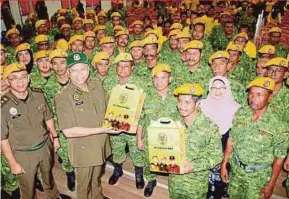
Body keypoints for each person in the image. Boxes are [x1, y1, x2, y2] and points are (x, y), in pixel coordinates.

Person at [55, 52, 120, 199]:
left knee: (96, 179)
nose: (79, 74)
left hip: (100, 144)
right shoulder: (63, 96)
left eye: (83, 69)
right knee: (83, 185)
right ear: (68, 73)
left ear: (89, 69)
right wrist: (102, 129)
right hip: (83, 149)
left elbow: (110, 106)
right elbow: (69, 131)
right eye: (74, 70)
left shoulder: (96, 85)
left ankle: (97, 196)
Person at [1, 62, 61, 199]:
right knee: (27, 186)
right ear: (6, 81)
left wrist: (55, 137)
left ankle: (53, 196)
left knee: (48, 176)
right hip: (23, 154)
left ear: (28, 78)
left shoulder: (38, 94)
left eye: (23, 76)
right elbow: (2, 139)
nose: (20, 81)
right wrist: (13, 163)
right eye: (14, 78)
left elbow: (48, 117)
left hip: (45, 146)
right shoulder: (3, 106)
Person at [221, 77, 288, 199]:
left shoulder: (278, 124)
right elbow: (231, 139)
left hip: (258, 178)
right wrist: (224, 163)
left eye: (259, 95)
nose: (253, 98)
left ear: (270, 97)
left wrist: (271, 184)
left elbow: (279, 158)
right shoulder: (241, 113)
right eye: (251, 93)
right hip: (236, 172)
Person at [169, 83, 223, 198]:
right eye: (179, 101)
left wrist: (193, 166)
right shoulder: (172, 120)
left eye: (187, 102)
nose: (181, 106)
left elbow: (217, 156)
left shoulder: (209, 127)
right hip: (175, 180)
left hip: (195, 185)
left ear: (197, 103)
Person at [103, 53, 145, 189]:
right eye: (119, 66)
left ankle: (139, 174)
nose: (122, 69)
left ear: (132, 68)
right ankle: (117, 170)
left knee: (136, 151)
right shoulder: (109, 81)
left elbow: (144, 105)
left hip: (133, 125)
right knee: (117, 149)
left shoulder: (141, 83)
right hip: (114, 125)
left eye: (126, 66)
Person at [137, 63, 178, 197]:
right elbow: (141, 119)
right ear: (152, 79)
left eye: (163, 78)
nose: (159, 82)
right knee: (150, 162)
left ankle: (174, 184)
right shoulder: (146, 97)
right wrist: (139, 139)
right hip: (150, 139)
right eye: (156, 78)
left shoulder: (177, 98)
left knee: (172, 164)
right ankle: (151, 181)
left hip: (172, 140)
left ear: (170, 79)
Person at [44, 48, 75, 191]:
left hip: (78, 123)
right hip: (60, 126)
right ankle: (69, 173)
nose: (59, 67)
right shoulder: (48, 87)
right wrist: (52, 133)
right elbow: (48, 112)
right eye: (55, 63)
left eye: (63, 62)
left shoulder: (77, 80)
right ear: (51, 65)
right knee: (63, 153)